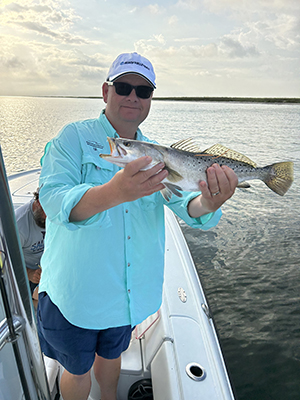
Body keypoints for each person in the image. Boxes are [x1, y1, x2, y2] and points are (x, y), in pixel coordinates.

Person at [37, 52, 238, 400]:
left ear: (150, 100)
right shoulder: (72, 138)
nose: (133, 96)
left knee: (112, 355)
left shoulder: (156, 154)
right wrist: (113, 192)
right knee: (77, 369)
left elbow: (187, 204)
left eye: (143, 91)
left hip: (124, 296)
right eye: (124, 87)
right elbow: (53, 200)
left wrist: (211, 200)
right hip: (76, 295)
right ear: (105, 91)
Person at [15, 189, 46, 295]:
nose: (49, 218)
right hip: (29, 273)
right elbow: (6, 259)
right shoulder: (19, 224)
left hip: (51, 268)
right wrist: (29, 273)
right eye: (45, 211)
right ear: (38, 202)